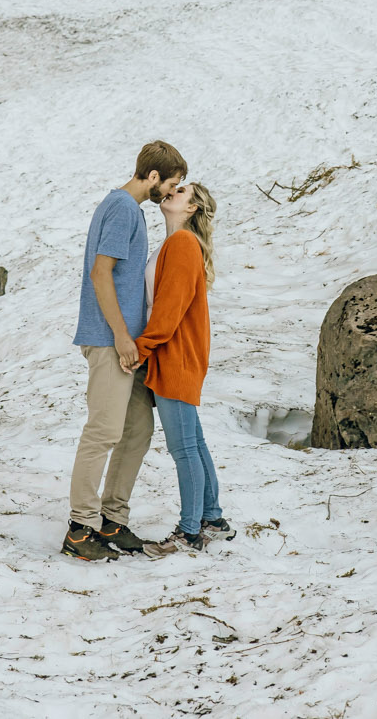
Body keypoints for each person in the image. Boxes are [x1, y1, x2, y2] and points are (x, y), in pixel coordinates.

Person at [63, 140, 187, 562]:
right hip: (108, 339)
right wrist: (119, 335)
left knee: (137, 431)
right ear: (152, 177)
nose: (170, 193)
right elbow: (101, 274)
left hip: (128, 344)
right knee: (103, 432)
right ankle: (81, 527)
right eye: (170, 184)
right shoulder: (122, 208)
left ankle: (112, 518)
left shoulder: (129, 210)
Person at [134, 181, 233, 556]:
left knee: (183, 449)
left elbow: (168, 309)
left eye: (182, 191)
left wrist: (140, 349)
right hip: (179, 355)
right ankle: (212, 519)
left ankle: (189, 532)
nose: (172, 191)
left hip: (174, 356)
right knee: (194, 442)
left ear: (191, 208)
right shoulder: (176, 244)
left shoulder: (181, 244)